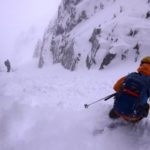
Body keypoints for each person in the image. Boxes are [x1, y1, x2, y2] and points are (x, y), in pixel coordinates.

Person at [109, 56, 150, 123]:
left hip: (117, 110)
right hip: (134, 116)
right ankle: (132, 117)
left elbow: (115, 87)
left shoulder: (132, 75)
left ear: (141, 65)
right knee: (146, 106)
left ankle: (118, 112)